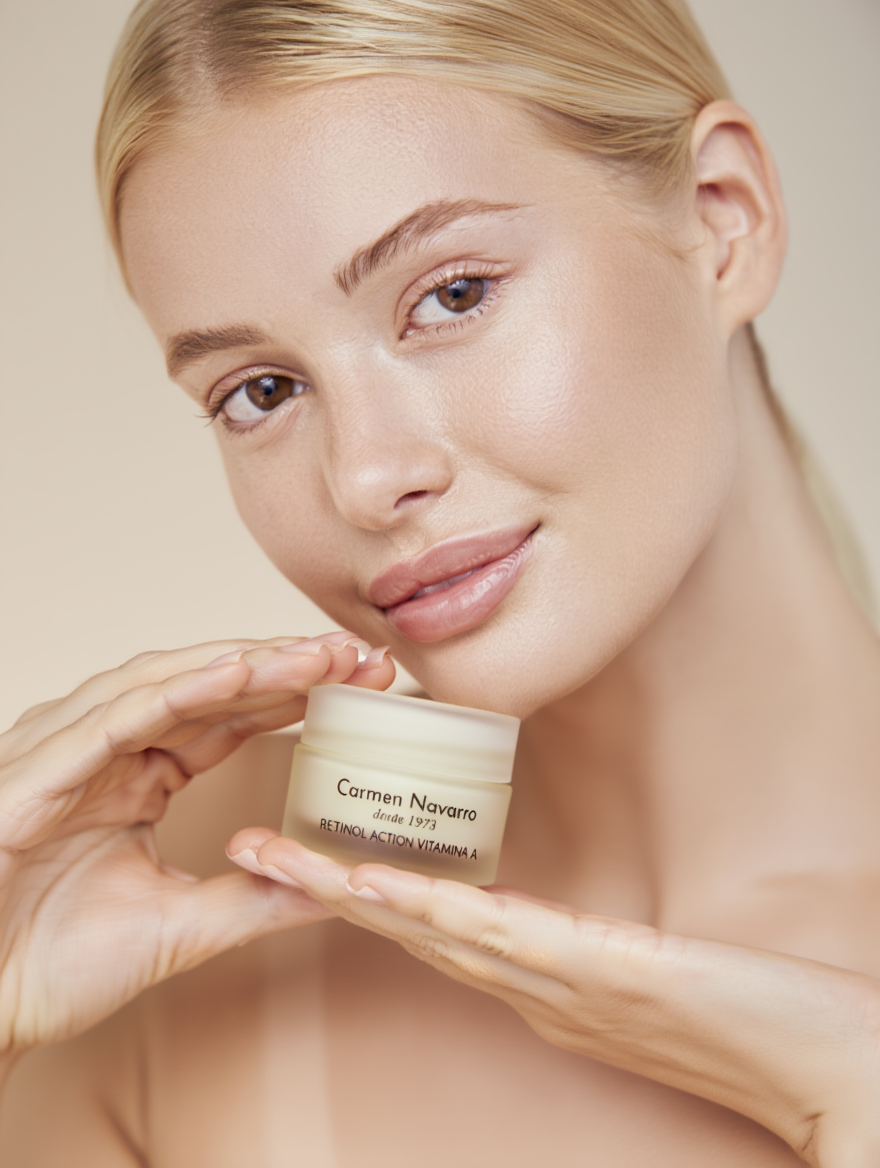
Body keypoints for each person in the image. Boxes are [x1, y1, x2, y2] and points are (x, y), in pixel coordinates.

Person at [0, 0, 878, 1163]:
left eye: (451, 295)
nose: (365, 478)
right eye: (261, 391)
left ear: (724, 221)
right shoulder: (170, 886)